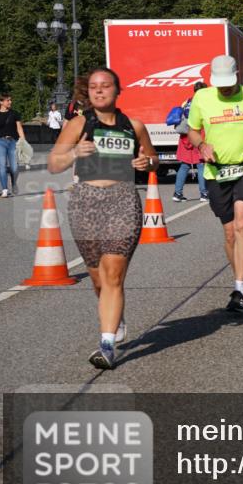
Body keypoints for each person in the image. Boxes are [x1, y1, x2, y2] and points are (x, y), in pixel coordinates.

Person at [47, 68, 158, 369]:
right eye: (94, 86)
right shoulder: (79, 124)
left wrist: (146, 162)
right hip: (85, 202)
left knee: (113, 275)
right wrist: (74, 153)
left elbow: (153, 159)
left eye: (105, 86)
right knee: (98, 279)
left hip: (122, 200)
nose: (98, 90)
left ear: (117, 90)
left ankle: (106, 345)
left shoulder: (134, 126)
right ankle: (115, 317)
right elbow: (54, 163)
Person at [187, 55, 243, 314]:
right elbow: (192, 130)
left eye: (228, 83)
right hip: (217, 170)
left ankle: (237, 289)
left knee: (242, 223)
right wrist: (201, 144)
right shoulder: (202, 98)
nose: (224, 88)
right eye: (219, 84)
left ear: (237, 76)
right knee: (229, 233)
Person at [173, 82, 209, 202]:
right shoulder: (204, 103)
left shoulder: (186, 102)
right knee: (201, 165)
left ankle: (177, 193)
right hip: (198, 136)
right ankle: (204, 193)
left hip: (185, 137)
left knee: (184, 166)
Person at [0, 93, 24, 197]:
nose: (10, 102)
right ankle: (4, 189)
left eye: (10, 100)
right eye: (8, 100)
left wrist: (23, 143)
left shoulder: (14, 113)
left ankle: (13, 183)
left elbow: (19, 129)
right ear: (1, 102)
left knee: (14, 167)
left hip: (13, 142)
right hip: (0, 142)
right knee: (2, 166)